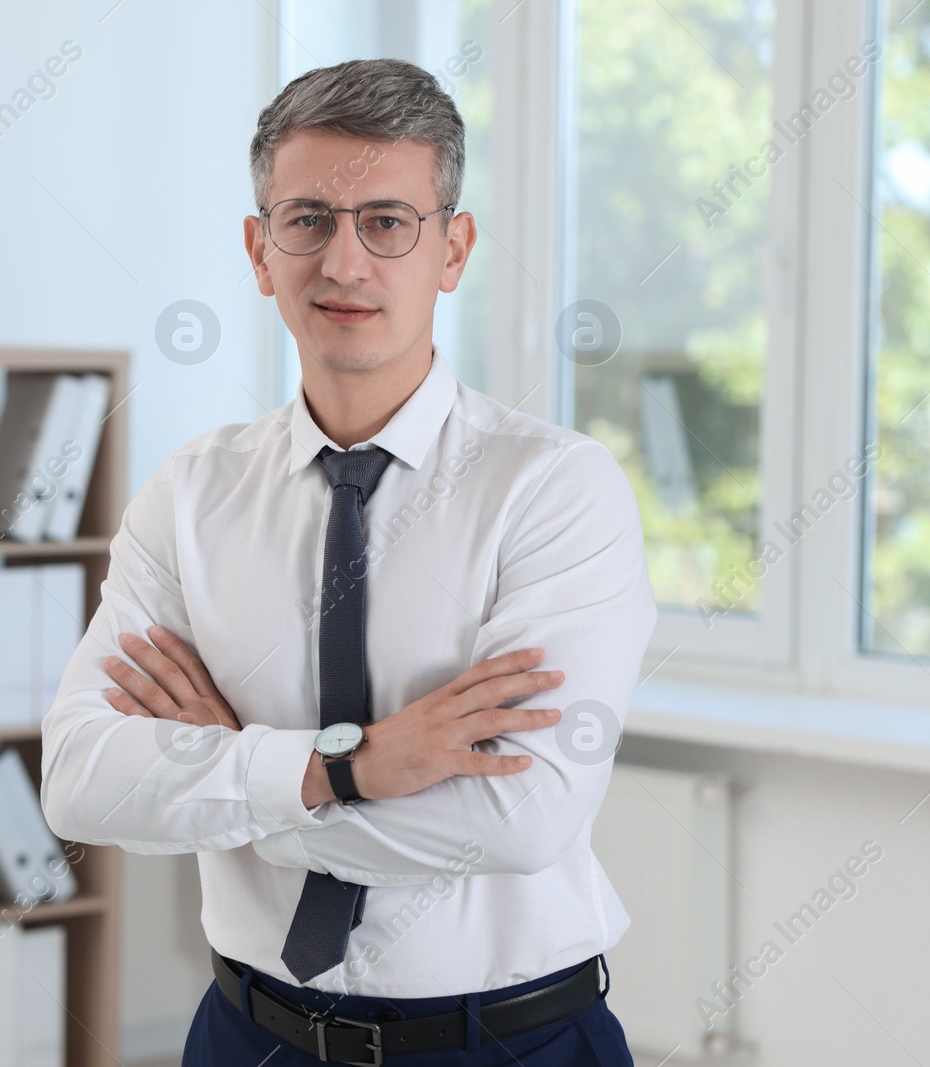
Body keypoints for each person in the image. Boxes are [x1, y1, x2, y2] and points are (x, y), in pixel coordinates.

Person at [40, 56, 657, 1065]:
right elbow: (78, 778)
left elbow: (516, 816)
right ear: (258, 247)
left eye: (387, 221)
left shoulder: (552, 489)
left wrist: (243, 780)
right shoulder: (190, 494)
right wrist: (352, 765)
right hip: (250, 1034)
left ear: (451, 250)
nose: (344, 261)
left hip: (505, 1042)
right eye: (308, 220)